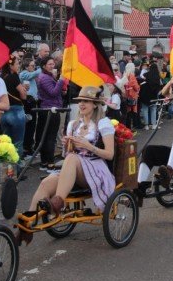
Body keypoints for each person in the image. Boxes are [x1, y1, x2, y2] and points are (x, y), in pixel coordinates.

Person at [28, 86, 115, 217]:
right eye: (80, 101)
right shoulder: (74, 124)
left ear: (95, 105)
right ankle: (27, 223)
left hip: (96, 169)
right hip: (73, 167)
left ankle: (57, 202)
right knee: (46, 183)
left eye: (86, 101)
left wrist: (89, 146)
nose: (81, 104)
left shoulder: (103, 123)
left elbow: (110, 154)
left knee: (72, 158)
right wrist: (67, 145)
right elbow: (67, 154)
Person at [35, 57, 67, 171]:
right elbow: (52, 93)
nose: (52, 66)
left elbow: (55, 91)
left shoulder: (47, 76)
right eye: (49, 64)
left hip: (49, 108)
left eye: (53, 64)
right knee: (50, 137)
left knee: (47, 136)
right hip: (50, 110)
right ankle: (49, 163)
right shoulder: (44, 78)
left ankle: (44, 163)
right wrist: (60, 81)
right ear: (44, 66)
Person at [0, 53, 28, 152]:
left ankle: (6, 166)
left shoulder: (1, 77)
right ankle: (17, 166)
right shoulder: (14, 77)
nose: (18, 66)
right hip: (16, 111)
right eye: (17, 64)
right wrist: (24, 91)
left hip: (3, 112)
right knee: (18, 143)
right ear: (11, 66)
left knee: (6, 143)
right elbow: (23, 95)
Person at [139, 62, 162, 130]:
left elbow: (142, 78)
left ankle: (146, 125)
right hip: (154, 95)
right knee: (153, 109)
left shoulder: (146, 74)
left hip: (145, 95)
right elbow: (159, 86)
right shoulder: (157, 76)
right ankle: (154, 125)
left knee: (145, 110)